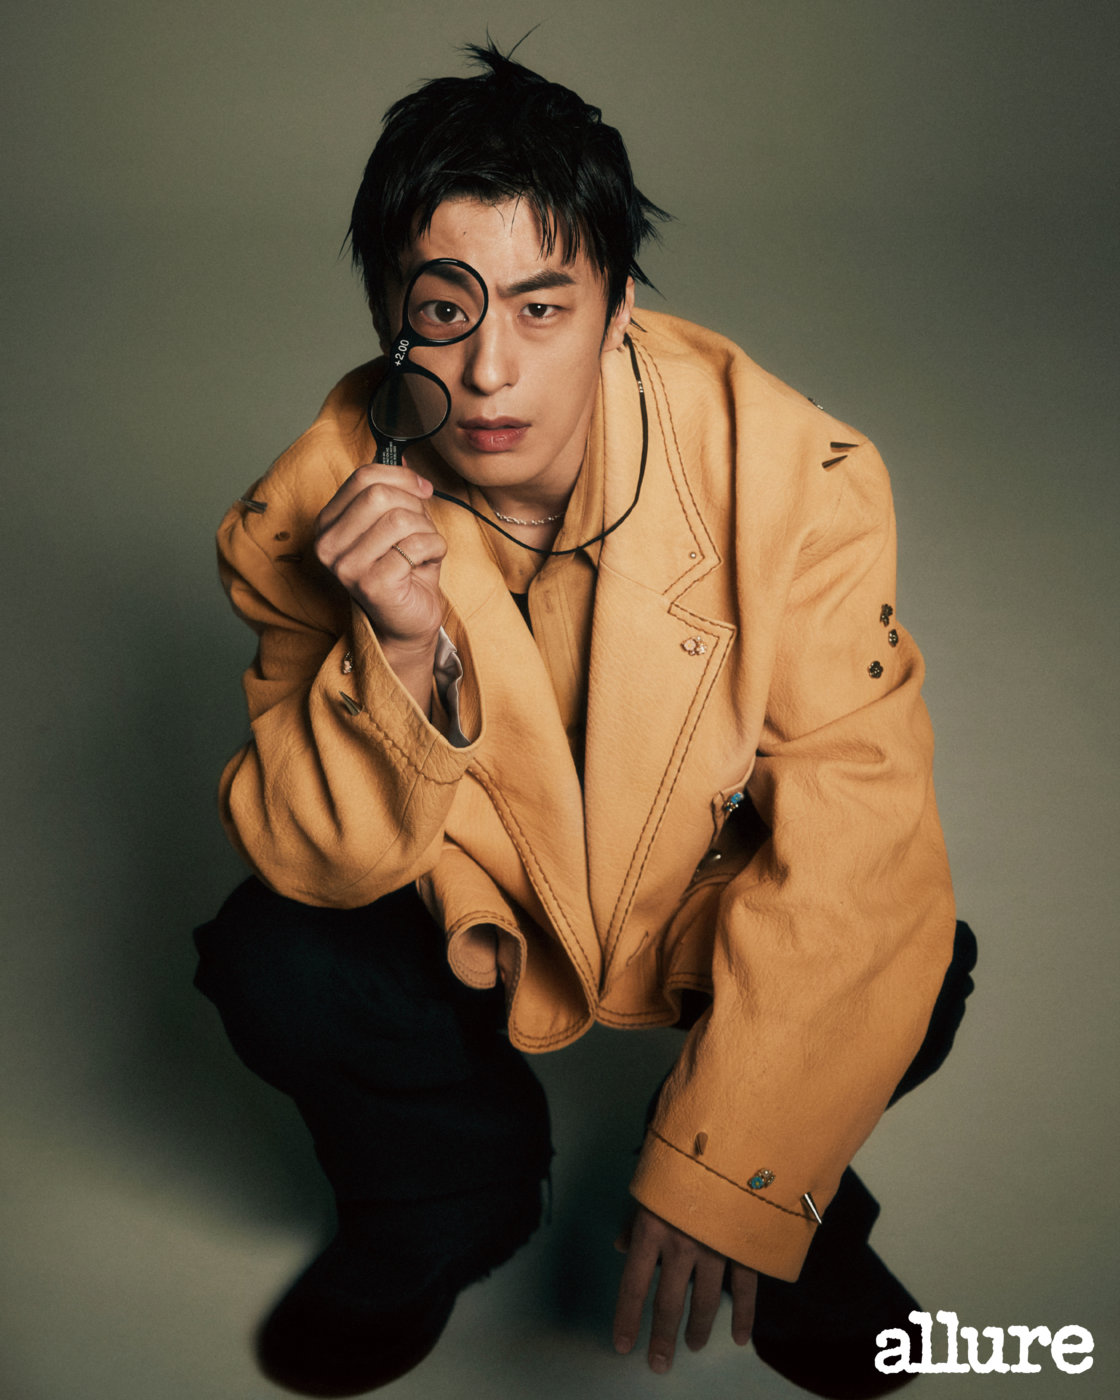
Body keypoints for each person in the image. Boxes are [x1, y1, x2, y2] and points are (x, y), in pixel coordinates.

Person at [194, 41, 975, 1399]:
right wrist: (399, 648)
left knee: (914, 955)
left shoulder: (796, 479)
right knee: (277, 956)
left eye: (544, 308)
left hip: (698, 882)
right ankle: (447, 1201)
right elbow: (318, 861)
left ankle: (797, 1216)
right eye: (446, 311)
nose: (492, 371)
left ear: (618, 314)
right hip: (474, 905)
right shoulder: (307, 511)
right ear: (388, 318)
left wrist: (735, 1174)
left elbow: (860, 829)